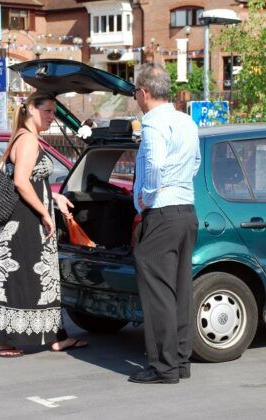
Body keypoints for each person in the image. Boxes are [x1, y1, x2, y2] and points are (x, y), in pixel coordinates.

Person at [0, 91, 87, 357]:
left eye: (54, 112)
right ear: (31, 109)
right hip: (23, 222)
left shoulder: (21, 136)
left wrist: (53, 196)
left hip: (17, 221)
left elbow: (30, 181)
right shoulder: (28, 139)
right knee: (25, 279)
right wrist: (45, 212)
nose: (52, 117)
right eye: (48, 111)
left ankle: (53, 336)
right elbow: (20, 181)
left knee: (31, 280)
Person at [129, 63, 201, 383]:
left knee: (158, 291)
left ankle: (164, 367)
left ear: (144, 92)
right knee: (180, 289)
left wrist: (146, 196)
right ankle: (181, 362)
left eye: (135, 92)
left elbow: (155, 163)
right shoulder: (186, 120)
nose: (135, 98)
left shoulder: (153, 123)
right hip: (186, 211)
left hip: (162, 211)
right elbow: (196, 162)